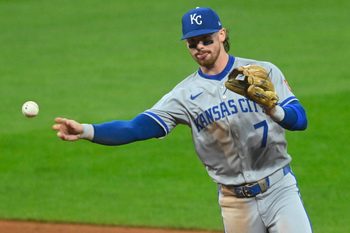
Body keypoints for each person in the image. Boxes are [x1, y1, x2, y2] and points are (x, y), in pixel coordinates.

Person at [52, 7, 313, 233]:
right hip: (235, 203)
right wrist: (86, 130)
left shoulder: (263, 71)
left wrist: (275, 110)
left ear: (222, 35)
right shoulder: (184, 95)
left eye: (206, 39)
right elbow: (136, 127)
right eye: (192, 43)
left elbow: (300, 119)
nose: (200, 47)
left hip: (280, 189)